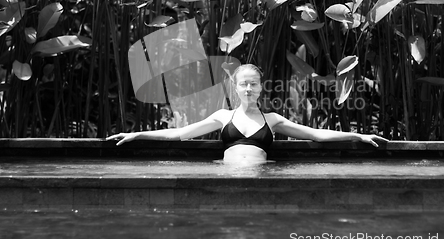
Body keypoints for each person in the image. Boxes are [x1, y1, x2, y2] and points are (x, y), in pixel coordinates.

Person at [106, 64, 388, 163]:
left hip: (262, 175)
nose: (249, 88)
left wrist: (357, 135)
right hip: (226, 173)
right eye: (244, 84)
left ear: (261, 88)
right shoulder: (222, 117)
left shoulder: (273, 120)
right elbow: (179, 134)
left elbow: (315, 134)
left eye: (254, 84)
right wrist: (137, 133)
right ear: (236, 88)